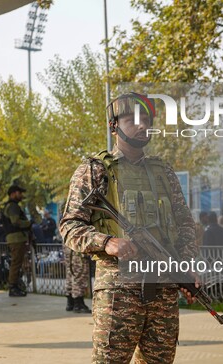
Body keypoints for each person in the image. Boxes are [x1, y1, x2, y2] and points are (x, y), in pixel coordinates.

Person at [59, 92, 198, 363]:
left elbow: (185, 224)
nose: (142, 125)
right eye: (133, 119)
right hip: (119, 291)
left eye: (146, 119)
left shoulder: (163, 172)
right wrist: (106, 242)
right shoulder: (95, 170)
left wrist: (187, 265)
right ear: (114, 126)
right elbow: (70, 226)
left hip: (163, 288)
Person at [4, 185, 32, 297]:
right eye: (19, 193)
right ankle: (13, 287)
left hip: (16, 238)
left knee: (17, 263)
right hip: (16, 238)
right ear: (13, 194)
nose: (21, 195)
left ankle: (15, 286)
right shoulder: (13, 207)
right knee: (16, 263)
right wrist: (29, 223)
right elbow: (15, 221)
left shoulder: (12, 206)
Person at [64, 245, 92, 313]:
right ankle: (78, 304)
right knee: (80, 275)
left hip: (69, 249)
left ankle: (71, 303)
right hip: (78, 250)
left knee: (70, 273)